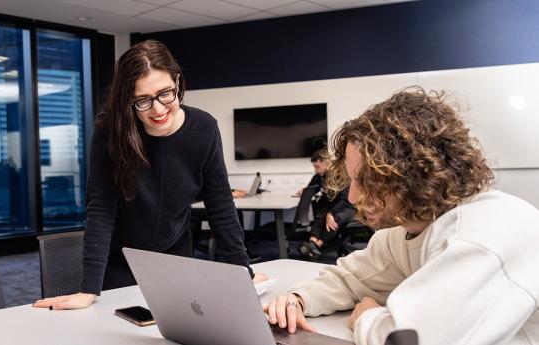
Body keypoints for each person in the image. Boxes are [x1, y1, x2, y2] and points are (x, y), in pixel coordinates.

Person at [264, 87, 539, 344]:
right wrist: (297, 299)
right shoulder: (407, 231)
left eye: (366, 181)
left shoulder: (482, 235)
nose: (352, 197)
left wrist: (368, 317)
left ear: (416, 173)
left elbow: (405, 338)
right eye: (352, 181)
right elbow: (350, 279)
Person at [34, 40, 266, 311]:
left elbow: (220, 206)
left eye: (165, 93)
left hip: (175, 253)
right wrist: (88, 289)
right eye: (142, 100)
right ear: (128, 100)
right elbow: (101, 207)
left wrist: (243, 272)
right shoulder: (111, 130)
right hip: (121, 259)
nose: (157, 109)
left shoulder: (204, 129)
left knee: (177, 326)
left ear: (177, 82)